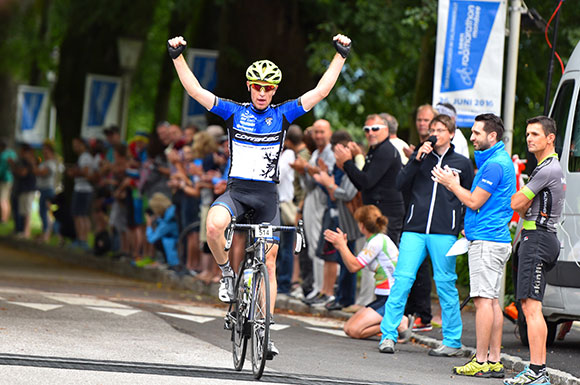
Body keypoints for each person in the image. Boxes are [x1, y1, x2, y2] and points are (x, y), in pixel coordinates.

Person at [168, 33, 352, 357]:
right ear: (250, 87)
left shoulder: (282, 115)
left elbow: (320, 91)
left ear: (275, 91)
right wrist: (176, 56)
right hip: (237, 191)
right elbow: (196, 91)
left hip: (267, 196)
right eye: (258, 86)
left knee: (268, 260)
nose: (263, 92)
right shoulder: (233, 111)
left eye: (268, 88)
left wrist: (341, 55)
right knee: (213, 226)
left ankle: (265, 330)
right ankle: (227, 275)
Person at [378, 114, 474, 355]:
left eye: (441, 129)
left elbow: (470, 198)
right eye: (433, 129)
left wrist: (462, 224)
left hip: (445, 231)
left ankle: (452, 341)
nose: (436, 133)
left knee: (445, 284)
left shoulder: (462, 162)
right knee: (402, 280)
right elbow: (400, 183)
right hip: (414, 229)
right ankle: (388, 335)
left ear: (451, 134)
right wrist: (416, 159)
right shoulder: (420, 158)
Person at [432, 113, 515, 378]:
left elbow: (474, 201)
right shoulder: (498, 161)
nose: (472, 137)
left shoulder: (494, 165)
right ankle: (492, 360)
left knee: (483, 302)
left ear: (492, 136)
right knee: (491, 301)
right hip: (493, 238)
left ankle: (480, 361)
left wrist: (451, 184)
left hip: (488, 243)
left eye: (477, 133)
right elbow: (488, 206)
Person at [506, 116, 565, 385]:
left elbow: (516, 201)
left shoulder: (548, 169)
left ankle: (537, 372)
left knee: (531, 308)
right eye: (527, 134)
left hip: (538, 239)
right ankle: (536, 371)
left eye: (535, 134)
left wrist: (519, 199)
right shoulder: (545, 167)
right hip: (539, 238)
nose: (529, 138)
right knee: (531, 306)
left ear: (550, 138)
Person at [324, 205, 412, 340]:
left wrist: (342, 246)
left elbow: (354, 266)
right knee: (349, 328)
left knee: (354, 330)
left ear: (361, 225)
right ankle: (396, 321)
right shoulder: (376, 239)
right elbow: (352, 264)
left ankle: (399, 322)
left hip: (390, 296)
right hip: (383, 296)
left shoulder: (377, 241)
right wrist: (342, 246)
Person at [335, 113, 405, 245]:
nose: (370, 133)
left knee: (386, 257)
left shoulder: (385, 150)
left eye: (375, 128)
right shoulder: (375, 149)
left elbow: (367, 181)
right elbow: (361, 184)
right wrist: (347, 164)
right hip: (377, 212)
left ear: (385, 129)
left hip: (387, 214)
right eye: (367, 129)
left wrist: (347, 163)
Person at [0, 139, 17, 223]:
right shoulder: (13, 153)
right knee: (6, 199)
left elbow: (1, 169)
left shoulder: (3, 155)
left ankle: (3, 219)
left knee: (2, 199)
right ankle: (6, 217)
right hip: (12, 179)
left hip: (4, 179)